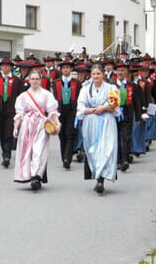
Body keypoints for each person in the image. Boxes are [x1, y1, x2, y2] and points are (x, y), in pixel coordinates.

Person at [77, 64, 120, 194]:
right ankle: (96, 174)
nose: (96, 76)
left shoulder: (111, 88)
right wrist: (92, 110)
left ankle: (101, 179)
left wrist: (104, 107)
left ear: (103, 75)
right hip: (91, 122)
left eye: (98, 74)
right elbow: (80, 106)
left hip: (106, 121)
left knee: (106, 148)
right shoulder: (85, 89)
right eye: (94, 74)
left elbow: (114, 104)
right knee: (93, 150)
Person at [13, 71, 60, 190]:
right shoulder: (23, 96)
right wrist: (15, 127)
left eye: (36, 78)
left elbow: (52, 111)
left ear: (40, 80)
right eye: (32, 78)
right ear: (29, 80)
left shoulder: (46, 94)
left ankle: (37, 176)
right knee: (27, 151)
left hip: (41, 124)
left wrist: (57, 122)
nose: (34, 81)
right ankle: (27, 175)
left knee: (39, 150)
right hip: (27, 125)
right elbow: (19, 114)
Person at [0, 59, 24, 168]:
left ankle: (7, 156)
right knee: (1, 134)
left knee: (8, 133)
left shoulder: (17, 80)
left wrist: (20, 109)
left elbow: (21, 96)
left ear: (11, 67)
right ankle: (4, 153)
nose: (5, 68)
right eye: (3, 66)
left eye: (7, 66)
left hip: (11, 111)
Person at [52, 61, 82, 170]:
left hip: (71, 111)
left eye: (67, 68)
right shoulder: (56, 83)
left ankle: (67, 159)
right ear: (61, 69)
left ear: (70, 70)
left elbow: (79, 99)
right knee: (62, 135)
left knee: (70, 134)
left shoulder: (77, 83)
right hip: (60, 111)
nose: (65, 70)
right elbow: (54, 98)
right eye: (63, 68)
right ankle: (63, 157)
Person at [115, 62, 142, 171]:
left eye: (123, 70)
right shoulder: (111, 85)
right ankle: (118, 160)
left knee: (126, 138)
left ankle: (125, 160)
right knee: (116, 138)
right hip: (114, 115)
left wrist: (139, 117)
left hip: (127, 114)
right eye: (119, 70)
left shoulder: (132, 85)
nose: (121, 72)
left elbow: (137, 102)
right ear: (116, 72)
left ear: (127, 72)